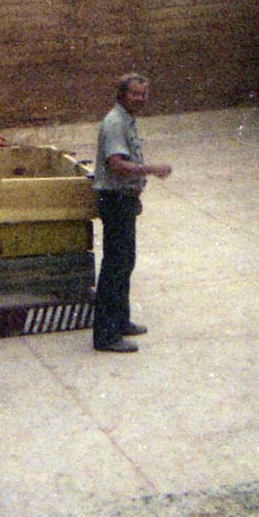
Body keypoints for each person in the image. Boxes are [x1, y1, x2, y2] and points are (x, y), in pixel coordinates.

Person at [92, 72, 172, 353]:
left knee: (125, 261)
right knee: (115, 266)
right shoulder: (115, 123)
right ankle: (106, 335)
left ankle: (120, 321)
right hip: (115, 200)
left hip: (124, 199)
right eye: (135, 94)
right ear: (122, 94)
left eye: (144, 94)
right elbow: (116, 164)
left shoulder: (127, 120)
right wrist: (151, 169)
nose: (141, 99)